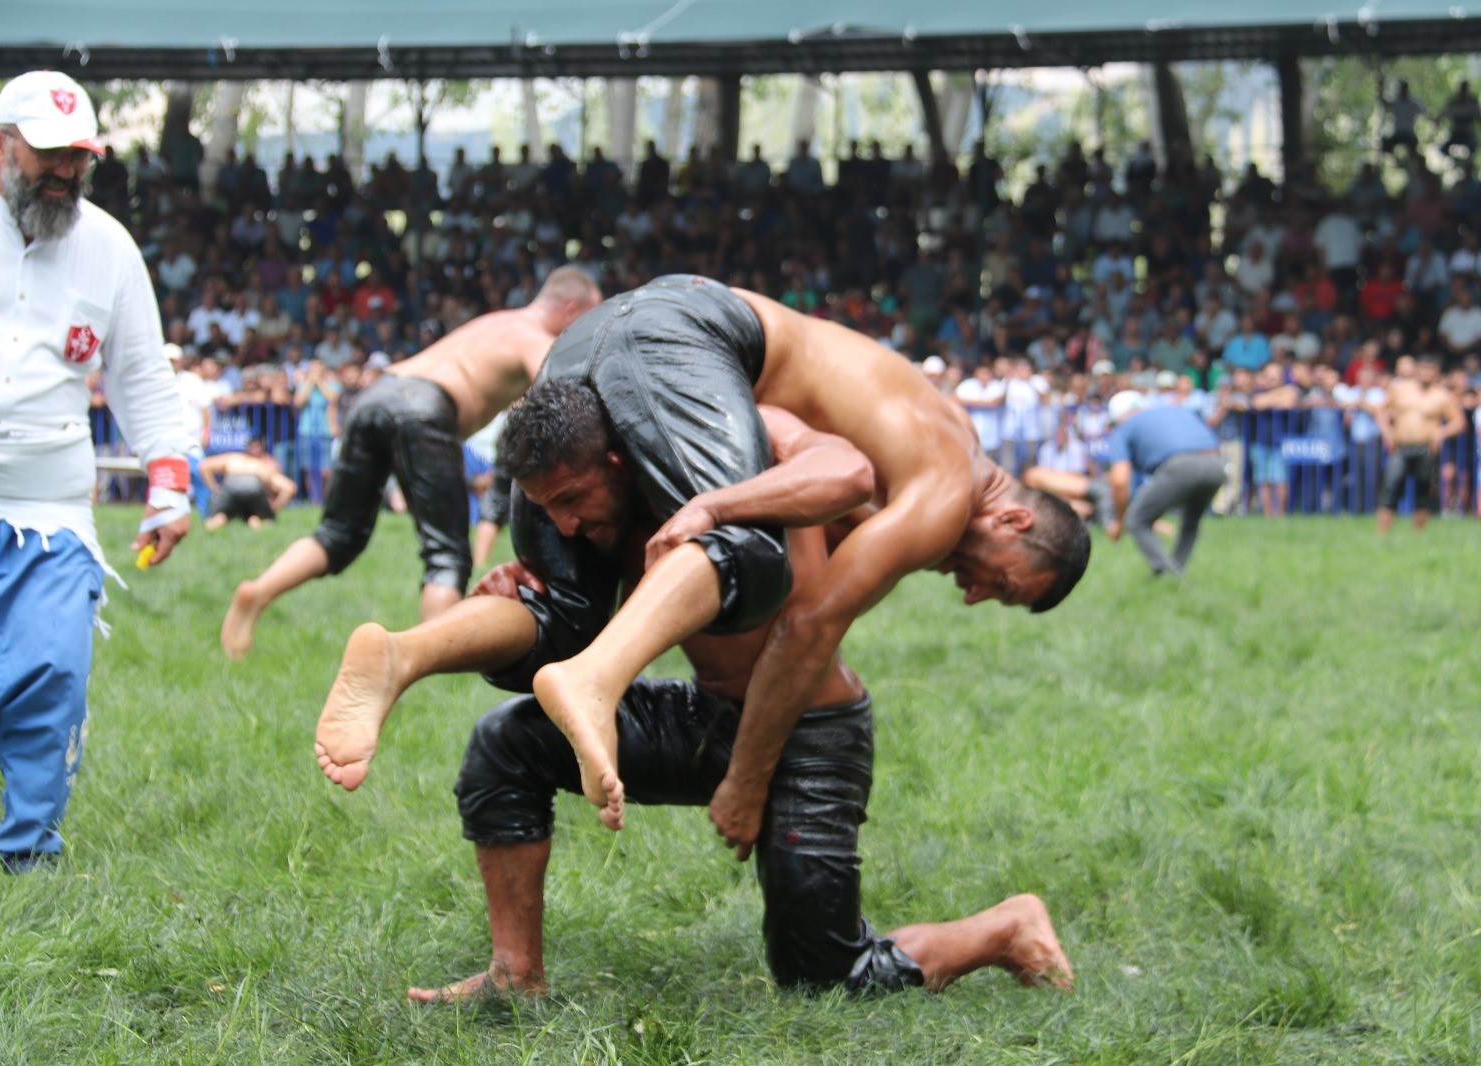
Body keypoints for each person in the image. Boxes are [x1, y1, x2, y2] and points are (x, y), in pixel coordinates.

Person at [310, 394, 1073, 1001]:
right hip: (712, 715)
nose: (568, 516)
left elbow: (845, 468)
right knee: (506, 743)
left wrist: (747, 782)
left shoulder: (746, 432)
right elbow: (575, 618)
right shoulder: (597, 503)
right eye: (556, 506)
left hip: (813, 732)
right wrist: (517, 581)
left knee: (827, 980)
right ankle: (516, 979)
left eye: (573, 497)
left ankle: (1002, 929)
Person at [448, 277, 1092, 845]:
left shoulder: (945, 437)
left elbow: (822, 518)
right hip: (686, 337)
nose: (975, 596)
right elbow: (808, 624)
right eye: (1003, 584)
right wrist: (746, 781)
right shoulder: (943, 496)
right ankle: (587, 677)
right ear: (1014, 518)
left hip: (647, 329)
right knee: (737, 553)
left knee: (562, 608)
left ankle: (403, 657)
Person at [0, 72, 194, 870]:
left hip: (45, 504)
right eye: (48, 156)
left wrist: (168, 483)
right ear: (0, 144)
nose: (64, 174)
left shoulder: (109, 248)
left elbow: (141, 377)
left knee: (52, 671)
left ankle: (26, 855)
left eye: (78, 158)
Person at [219, 267, 602, 660]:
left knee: (339, 532)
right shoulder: (534, 339)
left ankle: (258, 591)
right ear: (571, 310)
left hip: (377, 394)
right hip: (424, 407)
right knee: (446, 553)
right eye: (590, 318)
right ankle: (431, 659)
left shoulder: (498, 321)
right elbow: (569, 397)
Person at [1104, 391, 1226, 576]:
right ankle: (1175, 574)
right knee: (1191, 520)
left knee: (1137, 521)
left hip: (1181, 466)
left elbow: (1120, 481)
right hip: (1217, 465)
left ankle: (1168, 574)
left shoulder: (1125, 427)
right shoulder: (1176, 410)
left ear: (1118, 416)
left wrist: (1119, 521)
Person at [1374, 355, 1467, 533]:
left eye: (1430, 370)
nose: (1426, 374)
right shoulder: (1400, 389)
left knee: (1423, 491)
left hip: (1426, 447)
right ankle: (1381, 534)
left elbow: (1459, 422)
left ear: (1436, 373)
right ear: (1417, 370)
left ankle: (1419, 535)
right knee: (1390, 486)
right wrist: (1387, 432)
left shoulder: (1442, 396)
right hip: (1400, 446)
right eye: (1423, 369)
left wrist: (1441, 432)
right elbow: (1380, 411)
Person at [200, 437, 296, 530]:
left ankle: (217, 521)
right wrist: (273, 508)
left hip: (231, 484)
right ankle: (256, 521)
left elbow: (204, 466)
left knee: (220, 515)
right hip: (254, 486)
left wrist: (215, 489)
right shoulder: (265, 466)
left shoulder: (234, 458)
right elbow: (289, 488)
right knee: (262, 518)